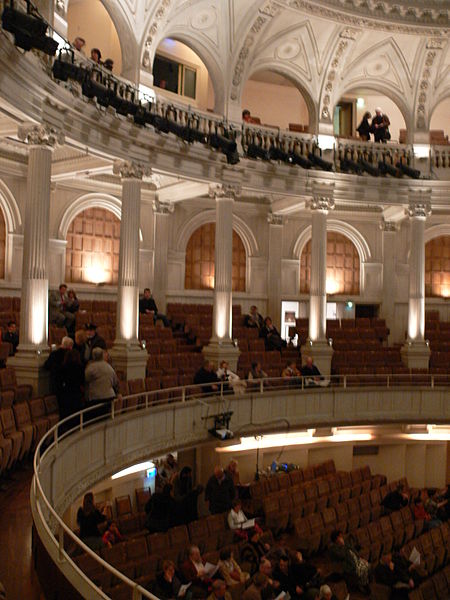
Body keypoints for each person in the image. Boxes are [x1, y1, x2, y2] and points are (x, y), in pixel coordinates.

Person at [329, 530, 370, 594]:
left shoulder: (345, 543)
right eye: (340, 536)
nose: (342, 537)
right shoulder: (333, 548)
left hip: (355, 561)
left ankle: (363, 583)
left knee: (367, 565)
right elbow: (342, 555)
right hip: (349, 566)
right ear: (336, 539)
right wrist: (342, 545)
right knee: (363, 570)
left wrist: (360, 558)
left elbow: (353, 550)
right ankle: (364, 585)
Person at [84, 346, 119, 420]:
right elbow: (115, 382)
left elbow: (86, 379)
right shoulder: (109, 367)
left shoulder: (91, 367)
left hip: (96, 397)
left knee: (96, 419)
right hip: (109, 396)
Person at [44, 336, 74, 409]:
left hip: (55, 381)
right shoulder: (70, 355)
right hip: (67, 383)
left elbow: (46, 366)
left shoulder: (54, 354)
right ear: (70, 346)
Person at [59, 348, 85, 433]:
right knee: (75, 413)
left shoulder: (63, 367)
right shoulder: (80, 367)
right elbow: (82, 380)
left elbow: (61, 380)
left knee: (67, 413)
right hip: (76, 393)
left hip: (66, 393)